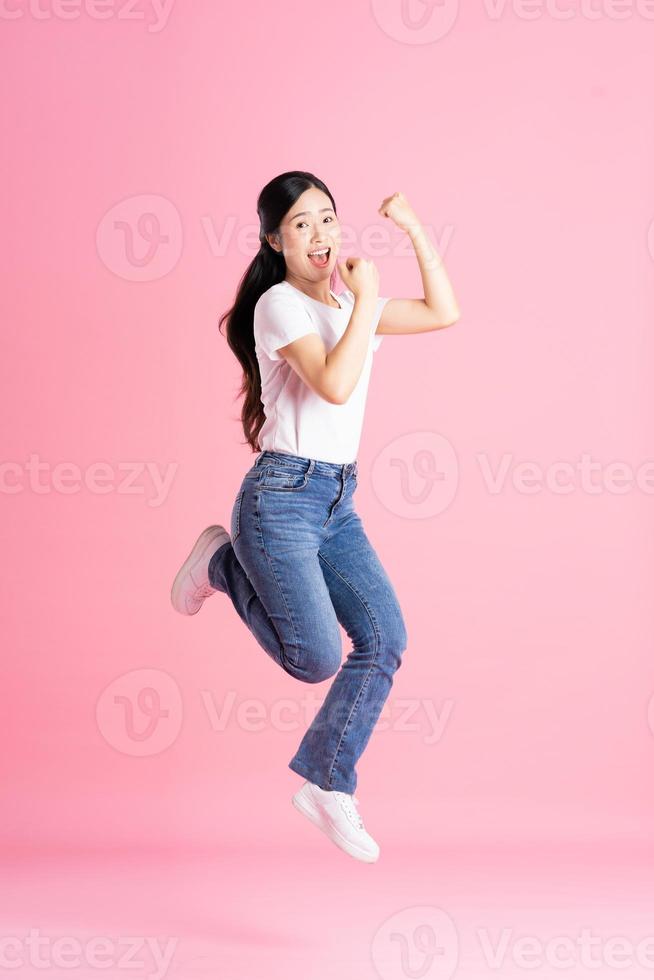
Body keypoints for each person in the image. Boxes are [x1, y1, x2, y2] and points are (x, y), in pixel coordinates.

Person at [170, 171, 460, 862]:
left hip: (336, 501)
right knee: (315, 660)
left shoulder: (346, 304)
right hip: (279, 498)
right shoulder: (278, 306)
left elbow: (443, 312)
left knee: (385, 638)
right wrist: (362, 301)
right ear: (277, 240)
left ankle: (329, 782)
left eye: (327, 218)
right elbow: (332, 384)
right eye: (302, 225)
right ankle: (219, 559)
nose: (321, 235)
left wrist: (414, 229)